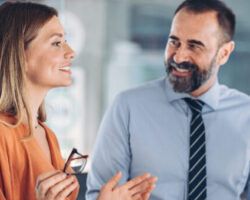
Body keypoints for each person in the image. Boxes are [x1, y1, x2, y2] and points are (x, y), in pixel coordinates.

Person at [86, 0, 250, 199]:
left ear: (224, 53)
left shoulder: (246, 115)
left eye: (194, 46)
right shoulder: (128, 108)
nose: (179, 57)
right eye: (174, 42)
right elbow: (101, 195)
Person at [0, 2, 157, 200]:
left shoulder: (48, 136)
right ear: (20, 54)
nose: (71, 52)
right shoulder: (3, 135)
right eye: (57, 43)